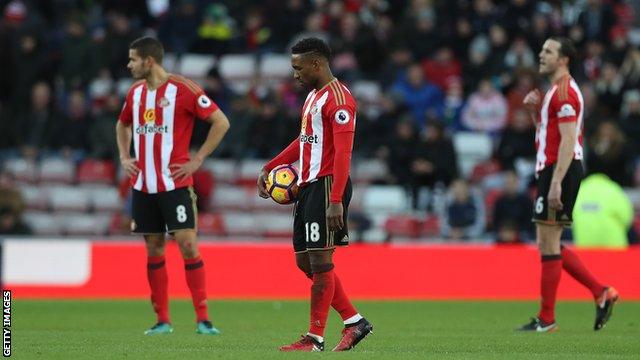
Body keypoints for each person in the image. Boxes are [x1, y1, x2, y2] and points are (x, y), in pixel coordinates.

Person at [257, 37, 372, 352]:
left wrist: (336, 200)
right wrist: (271, 166)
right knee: (305, 262)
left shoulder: (340, 100)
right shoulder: (312, 97)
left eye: (298, 67)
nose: (294, 74)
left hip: (327, 185)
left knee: (321, 261)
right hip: (308, 186)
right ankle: (354, 321)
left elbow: (344, 154)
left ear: (316, 64)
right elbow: (305, 141)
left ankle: (314, 338)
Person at [115, 37, 230, 335]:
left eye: (132, 59)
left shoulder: (184, 89)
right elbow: (122, 123)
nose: (129, 65)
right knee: (153, 248)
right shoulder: (136, 93)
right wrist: (124, 156)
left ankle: (203, 319)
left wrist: (198, 158)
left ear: (148, 61)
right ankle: (162, 321)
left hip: (175, 184)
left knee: (188, 245)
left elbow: (221, 122)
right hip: (143, 186)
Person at [519, 37, 618, 332]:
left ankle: (547, 319)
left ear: (563, 60)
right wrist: (534, 114)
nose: (541, 54)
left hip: (559, 170)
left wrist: (556, 183)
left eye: (548, 51)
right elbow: (548, 134)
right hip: (551, 168)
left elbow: (567, 141)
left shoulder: (564, 94)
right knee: (547, 243)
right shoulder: (556, 91)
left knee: (548, 243)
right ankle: (601, 292)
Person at [572, 173, 633, 249]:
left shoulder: (580, 189)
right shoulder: (613, 189)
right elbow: (627, 217)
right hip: (615, 249)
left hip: (584, 249)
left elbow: (570, 219)